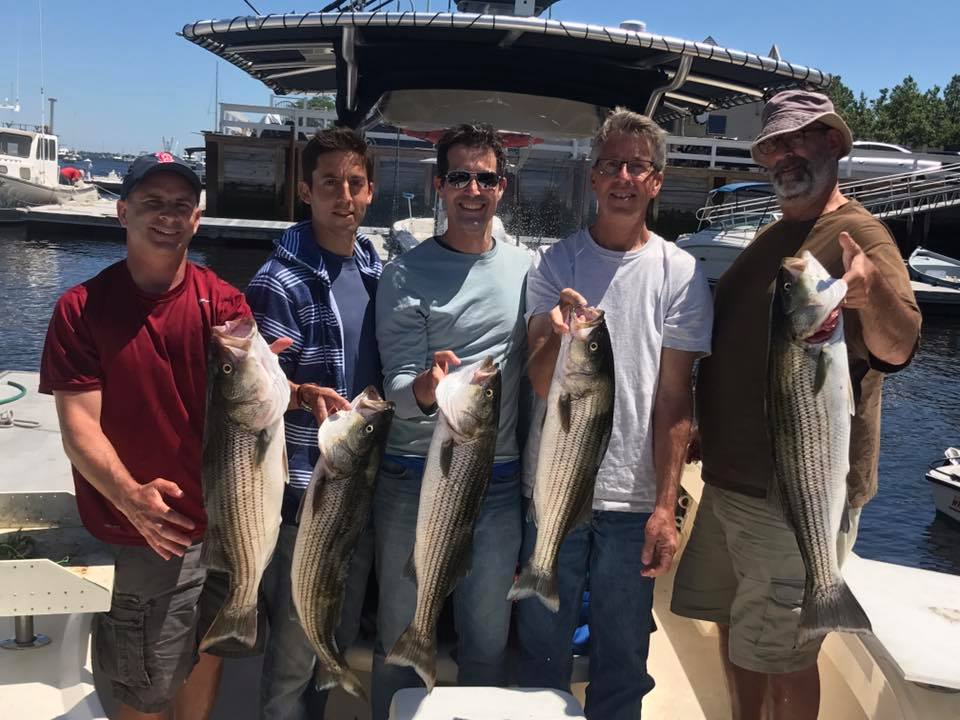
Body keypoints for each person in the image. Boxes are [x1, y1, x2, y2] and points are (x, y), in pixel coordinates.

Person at [671, 90, 922, 720]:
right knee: (737, 629)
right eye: (774, 144)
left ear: (834, 143)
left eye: (799, 140)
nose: (784, 156)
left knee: (785, 654)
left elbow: (899, 346)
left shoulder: (859, 234)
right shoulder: (777, 233)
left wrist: (871, 298)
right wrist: (704, 421)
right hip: (731, 481)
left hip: (793, 492)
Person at [39, 152, 257, 720]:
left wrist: (290, 387)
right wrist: (131, 496)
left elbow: (248, 403)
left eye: (181, 205)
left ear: (197, 220)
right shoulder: (80, 309)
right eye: (152, 203)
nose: (167, 215)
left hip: (226, 522)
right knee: (144, 684)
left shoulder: (224, 304)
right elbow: (79, 427)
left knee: (208, 650)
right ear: (122, 212)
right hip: (143, 532)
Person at [516, 107, 713, 719]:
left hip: (633, 507)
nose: (624, 177)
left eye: (638, 166)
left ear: (656, 181)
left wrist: (664, 505)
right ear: (593, 178)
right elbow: (543, 382)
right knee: (540, 655)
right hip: (553, 493)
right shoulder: (554, 265)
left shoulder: (680, 273)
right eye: (611, 166)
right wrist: (552, 334)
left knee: (624, 662)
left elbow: (674, 401)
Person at [372, 123, 531, 720]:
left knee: (487, 639)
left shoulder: (526, 268)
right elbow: (396, 389)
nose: (473, 189)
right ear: (439, 186)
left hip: (499, 478)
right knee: (399, 635)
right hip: (415, 473)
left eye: (485, 177)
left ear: (501, 188)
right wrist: (428, 387)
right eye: (460, 176)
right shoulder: (405, 274)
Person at [245, 127, 381, 719]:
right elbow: (252, 389)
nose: (342, 195)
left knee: (336, 635)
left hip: (361, 482)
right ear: (306, 190)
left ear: (371, 192)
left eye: (354, 183)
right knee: (296, 652)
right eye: (329, 183)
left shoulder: (377, 269)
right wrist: (297, 391)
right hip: (305, 487)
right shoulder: (276, 281)